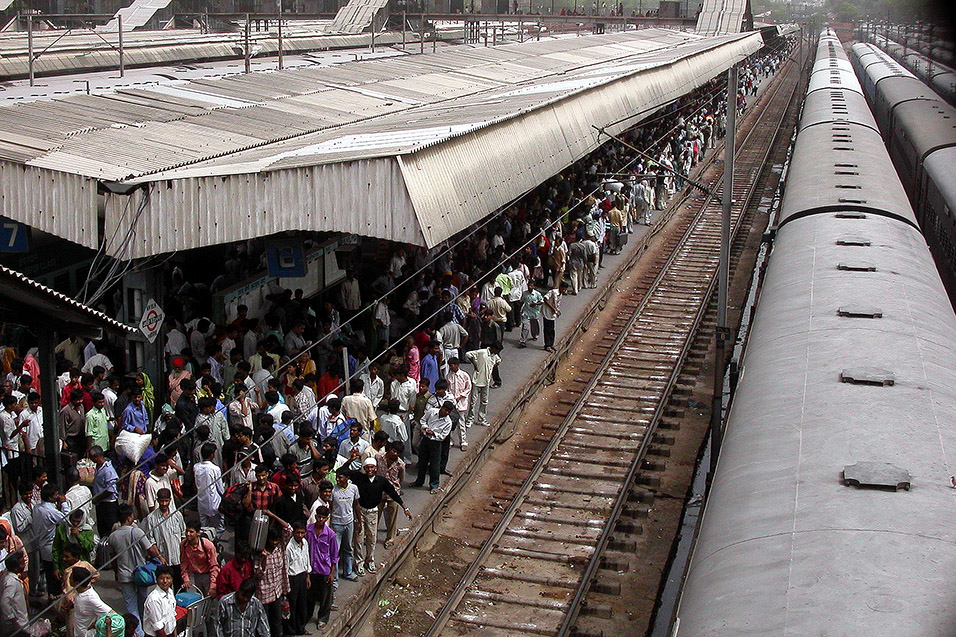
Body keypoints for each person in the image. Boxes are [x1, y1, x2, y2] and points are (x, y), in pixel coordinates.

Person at [340, 455, 411, 574]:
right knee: (358, 539)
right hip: (360, 512)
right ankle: (359, 563)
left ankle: (370, 560)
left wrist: (405, 508)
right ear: (364, 468)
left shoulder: (381, 481)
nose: (369, 470)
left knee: (372, 538)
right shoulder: (359, 477)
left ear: (376, 468)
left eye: (372, 467)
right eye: (367, 467)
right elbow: (342, 470)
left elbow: (393, 493)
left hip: (373, 512)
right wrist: (351, 459)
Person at [108, 503, 163, 623]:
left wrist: (116, 573)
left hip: (124, 575)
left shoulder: (112, 537)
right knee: (143, 601)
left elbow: (113, 558)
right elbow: (151, 550)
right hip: (141, 574)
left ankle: (137, 632)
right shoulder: (137, 532)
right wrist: (160, 558)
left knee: (131, 605)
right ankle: (147, 626)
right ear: (128, 518)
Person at [141, 488, 185, 590]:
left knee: (180, 586)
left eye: (166, 501)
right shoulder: (151, 518)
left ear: (170, 500)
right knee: (164, 588)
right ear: (157, 500)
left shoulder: (177, 515)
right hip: (163, 560)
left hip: (178, 558)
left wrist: (183, 554)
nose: (164, 504)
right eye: (161, 501)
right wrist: (160, 557)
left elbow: (183, 535)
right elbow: (151, 541)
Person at [254, 522, 292, 637]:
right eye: (273, 540)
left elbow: (288, 529)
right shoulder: (259, 554)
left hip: (277, 592)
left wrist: (271, 514)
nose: (275, 543)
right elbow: (258, 575)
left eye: (277, 540)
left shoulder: (280, 548)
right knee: (263, 624)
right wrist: (264, 560)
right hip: (264, 595)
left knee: (277, 622)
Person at [305, 505, 337, 629]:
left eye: (323, 518)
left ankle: (323, 618)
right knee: (310, 596)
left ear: (327, 518)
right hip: (311, 569)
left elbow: (334, 555)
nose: (321, 520)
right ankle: (307, 616)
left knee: (325, 598)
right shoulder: (308, 530)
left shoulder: (330, 535)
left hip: (324, 570)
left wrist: (332, 573)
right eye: (319, 517)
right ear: (315, 516)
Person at [33, 482, 67, 596]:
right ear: (50, 497)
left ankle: (51, 597)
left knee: (49, 575)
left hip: (42, 547)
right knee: (56, 577)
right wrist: (64, 504)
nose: (58, 496)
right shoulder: (50, 511)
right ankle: (56, 600)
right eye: (56, 494)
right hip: (51, 548)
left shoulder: (37, 508)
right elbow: (67, 520)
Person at [413, 402, 454, 494]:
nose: (446, 413)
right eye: (445, 410)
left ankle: (434, 485)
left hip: (436, 443)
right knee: (422, 461)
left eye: (448, 411)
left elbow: (442, 436)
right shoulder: (431, 412)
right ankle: (419, 481)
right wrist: (426, 428)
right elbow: (423, 420)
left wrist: (433, 433)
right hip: (425, 439)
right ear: (441, 407)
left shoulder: (448, 422)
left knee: (435, 464)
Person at [330, 471, 360, 581]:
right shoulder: (334, 490)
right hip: (336, 524)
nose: (338, 480)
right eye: (337, 477)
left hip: (349, 523)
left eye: (340, 477)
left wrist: (359, 521)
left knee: (348, 548)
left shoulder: (353, 488)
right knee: (335, 551)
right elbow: (330, 507)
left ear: (347, 478)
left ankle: (348, 572)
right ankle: (335, 579)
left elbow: (356, 505)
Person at [465, 343, 502, 427]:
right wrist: (475, 364)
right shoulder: (482, 352)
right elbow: (468, 354)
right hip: (477, 380)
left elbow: (498, 360)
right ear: (493, 348)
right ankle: (470, 419)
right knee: (473, 402)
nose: (497, 353)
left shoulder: (494, 355)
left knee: (484, 401)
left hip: (486, 381)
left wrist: (494, 365)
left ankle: (482, 419)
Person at [72, 565, 114, 637]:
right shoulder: (79, 592)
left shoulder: (90, 598)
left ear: (76, 583)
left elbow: (113, 614)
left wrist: (96, 625)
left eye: (70, 578)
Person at [285, 520, 310, 635]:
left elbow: (307, 560)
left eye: (302, 533)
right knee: (293, 605)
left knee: (302, 604)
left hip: (302, 576)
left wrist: (307, 576)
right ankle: (292, 630)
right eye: (298, 533)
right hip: (292, 578)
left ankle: (301, 627)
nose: (300, 535)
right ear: (293, 533)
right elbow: (286, 566)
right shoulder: (289, 547)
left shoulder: (305, 543)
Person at [180, 522, 219, 596]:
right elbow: (184, 563)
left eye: (191, 532)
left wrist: (213, 586)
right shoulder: (183, 545)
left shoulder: (207, 545)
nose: (188, 534)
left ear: (198, 533)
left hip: (208, 576)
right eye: (187, 531)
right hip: (195, 576)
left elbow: (214, 566)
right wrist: (186, 580)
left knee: (210, 601)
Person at [194, 442, 224, 533]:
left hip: (201, 501)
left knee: (204, 526)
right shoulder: (215, 469)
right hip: (214, 501)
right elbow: (220, 488)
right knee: (219, 527)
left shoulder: (196, 467)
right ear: (212, 455)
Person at [90, 445, 119, 536]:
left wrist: (97, 498)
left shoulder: (108, 470)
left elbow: (110, 490)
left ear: (96, 456)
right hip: (101, 504)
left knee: (110, 530)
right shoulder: (99, 467)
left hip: (108, 505)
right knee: (102, 529)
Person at [142, 565, 176, 637]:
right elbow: (158, 628)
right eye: (161, 578)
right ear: (156, 579)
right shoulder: (154, 599)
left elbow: (173, 617)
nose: (165, 581)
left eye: (168, 578)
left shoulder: (170, 592)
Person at [445, 358, 472, 450]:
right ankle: (450, 441)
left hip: (461, 403)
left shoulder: (464, 375)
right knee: (450, 423)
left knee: (461, 423)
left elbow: (468, 388)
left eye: (452, 365)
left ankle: (463, 441)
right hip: (451, 403)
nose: (451, 367)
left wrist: (460, 396)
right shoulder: (448, 376)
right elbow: (447, 389)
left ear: (457, 365)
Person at [1, 551, 30, 634]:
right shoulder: (11, 582)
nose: (24, 565)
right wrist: (14, 622)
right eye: (22, 563)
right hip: (18, 624)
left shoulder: (8, 577)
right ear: (16, 568)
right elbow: (4, 603)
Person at [542, 280, 562, 352]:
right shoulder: (552, 292)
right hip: (547, 313)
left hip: (552, 315)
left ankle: (551, 344)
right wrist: (552, 308)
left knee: (552, 329)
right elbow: (545, 299)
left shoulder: (560, 294)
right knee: (547, 329)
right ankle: (547, 345)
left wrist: (557, 311)